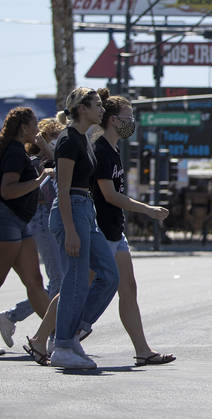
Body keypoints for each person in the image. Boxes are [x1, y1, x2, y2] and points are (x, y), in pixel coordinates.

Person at [89, 90, 176, 366]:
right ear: (113, 120)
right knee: (78, 287)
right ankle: (49, 338)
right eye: (129, 117)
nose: (132, 122)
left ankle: (142, 350)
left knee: (128, 287)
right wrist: (149, 210)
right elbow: (110, 195)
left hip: (115, 231)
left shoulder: (113, 149)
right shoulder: (101, 148)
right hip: (101, 231)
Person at [0, 107, 53, 358]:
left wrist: (44, 151)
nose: (37, 127)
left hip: (17, 222)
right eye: (34, 123)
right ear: (23, 127)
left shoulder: (17, 151)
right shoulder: (14, 152)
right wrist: (38, 181)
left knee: (34, 282)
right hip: (2, 221)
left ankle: (60, 336)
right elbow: (8, 190)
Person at [48, 88, 120, 370]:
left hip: (85, 211)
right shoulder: (68, 140)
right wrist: (70, 229)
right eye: (97, 105)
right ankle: (62, 345)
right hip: (72, 211)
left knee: (109, 275)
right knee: (75, 281)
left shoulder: (84, 139)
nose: (102, 110)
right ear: (82, 108)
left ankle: (71, 334)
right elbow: (62, 189)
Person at [0, 118, 63, 350]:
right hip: (42, 220)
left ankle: (12, 317)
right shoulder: (36, 161)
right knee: (58, 281)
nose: (58, 146)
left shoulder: (46, 160)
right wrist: (48, 157)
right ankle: (51, 336)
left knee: (54, 282)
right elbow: (42, 190)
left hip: (47, 221)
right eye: (55, 141)